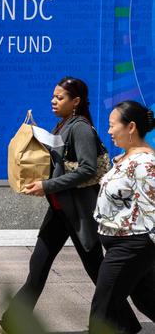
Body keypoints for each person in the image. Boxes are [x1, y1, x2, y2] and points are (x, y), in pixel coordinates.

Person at [0, 77, 139, 334]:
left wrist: (47, 186)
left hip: (78, 212)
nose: (53, 101)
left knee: (97, 270)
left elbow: (88, 169)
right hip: (60, 210)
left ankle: (125, 323)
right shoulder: (63, 125)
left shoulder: (79, 127)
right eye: (53, 96)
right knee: (38, 266)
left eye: (60, 97)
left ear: (76, 101)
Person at [89, 100, 155, 334]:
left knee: (102, 309)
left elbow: (153, 208)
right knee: (146, 300)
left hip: (131, 244)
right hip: (122, 242)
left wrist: (147, 244)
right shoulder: (127, 158)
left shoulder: (145, 163)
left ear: (131, 127)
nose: (108, 131)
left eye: (111, 125)